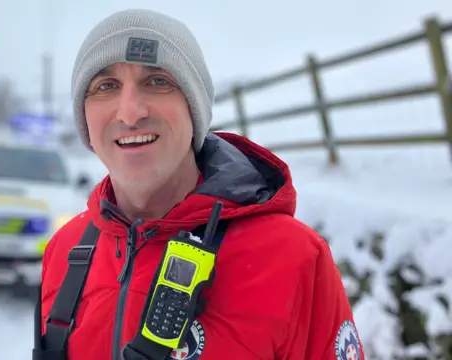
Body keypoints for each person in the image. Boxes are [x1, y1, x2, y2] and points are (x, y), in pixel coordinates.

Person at [35, 9, 365, 360]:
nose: (129, 112)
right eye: (105, 86)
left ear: (195, 110)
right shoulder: (65, 251)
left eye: (158, 81)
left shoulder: (295, 258)